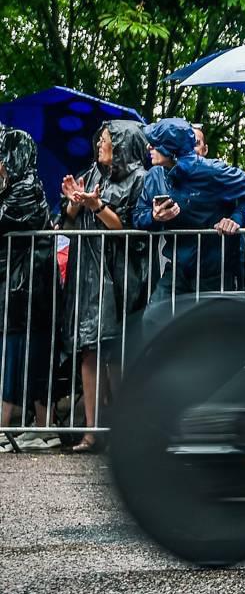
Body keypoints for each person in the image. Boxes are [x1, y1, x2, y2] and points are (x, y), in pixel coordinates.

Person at [59, 120, 150, 453]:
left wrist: (96, 205)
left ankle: (123, 430)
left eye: (107, 140)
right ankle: (92, 432)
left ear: (123, 145)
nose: (100, 145)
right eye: (99, 140)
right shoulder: (93, 174)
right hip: (89, 272)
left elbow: (128, 228)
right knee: (90, 349)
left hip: (120, 272)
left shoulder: (140, 178)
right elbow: (68, 222)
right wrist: (73, 202)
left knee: (117, 353)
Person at [134, 119, 245, 304]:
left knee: (209, 331)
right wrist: (153, 217)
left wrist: (235, 218)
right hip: (176, 270)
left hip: (214, 273)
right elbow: (137, 217)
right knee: (153, 320)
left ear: (172, 149)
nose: (149, 146)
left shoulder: (211, 171)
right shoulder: (154, 175)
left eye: (156, 143)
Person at [0, 129, 58, 453]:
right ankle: (40, 426)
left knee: (21, 354)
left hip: (28, 287)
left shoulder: (25, 188)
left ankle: (9, 425)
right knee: (27, 357)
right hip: (23, 286)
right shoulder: (20, 187)